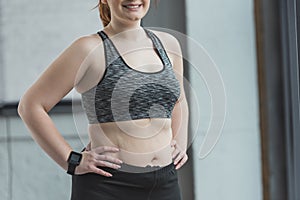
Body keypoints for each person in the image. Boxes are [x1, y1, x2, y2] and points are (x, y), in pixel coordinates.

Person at [18, 0, 189, 199]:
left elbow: (179, 100)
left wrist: (180, 143)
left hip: (164, 183)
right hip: (108, 185)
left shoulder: (169, 44)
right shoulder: (88, 48)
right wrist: (71, 160)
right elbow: (31, 106)